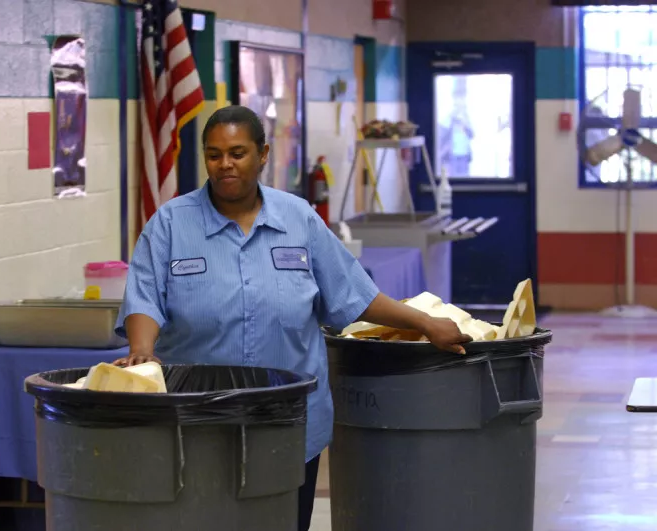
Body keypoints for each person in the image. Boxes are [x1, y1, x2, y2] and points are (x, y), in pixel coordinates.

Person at [114, 105, 471, 531]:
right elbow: (145, 299)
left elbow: (354, 294)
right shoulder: (170, 224)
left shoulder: (298, 219)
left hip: (288, 422)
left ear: (262, 154)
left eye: (237, 152)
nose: (225, 164)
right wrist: (142, 352)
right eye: (214, 154)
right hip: (197, 424)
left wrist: (424, 323)